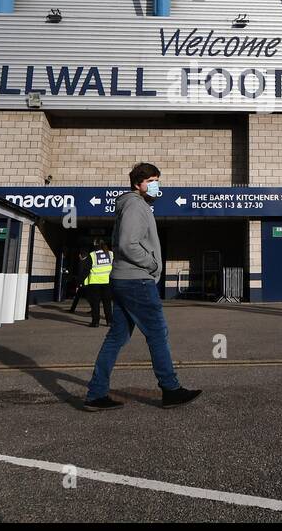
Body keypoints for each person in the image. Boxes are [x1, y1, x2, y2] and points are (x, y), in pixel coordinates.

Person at [84, 162, 200, 412]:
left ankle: (96, 393)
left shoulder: (135, 205)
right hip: (136, 280)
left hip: (125, 280)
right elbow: (128, 244)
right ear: (138, 184)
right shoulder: (136, 206)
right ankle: (171, 390)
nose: (155, 184)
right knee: (158, 333)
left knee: (116, 337)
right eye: (150, 180)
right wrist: (152, 264)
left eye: (157, 179)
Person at [85, 240, 114, 328]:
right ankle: (109, 321)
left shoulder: (92, 255)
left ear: (96, 245)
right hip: (107, 281)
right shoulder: (111, 254)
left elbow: (86, 269)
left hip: (95, 282)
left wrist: (81, 281)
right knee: (107, 303)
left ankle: (95, 322)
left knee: (95, 303)